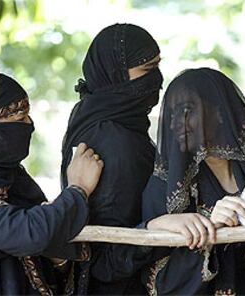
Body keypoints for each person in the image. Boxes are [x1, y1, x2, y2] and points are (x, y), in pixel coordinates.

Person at [0, 72, 103, 295]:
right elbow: (26, 232)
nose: (29, 125)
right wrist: (78, 189)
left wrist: (57, 258)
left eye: (27, 116)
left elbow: (43, 240)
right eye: (19, 119)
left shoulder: (13, 178)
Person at [61, 23, 163, 295]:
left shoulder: (89, 115)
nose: (158, 79)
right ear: (115, 74)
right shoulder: (114, 139)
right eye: (148, 70)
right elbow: (113, 243)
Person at [142, 68, 245, 295]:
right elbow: (156, 281)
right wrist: (208, 227)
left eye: (187, 111)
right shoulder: (164, 187)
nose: (177, 123)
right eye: (173, 114)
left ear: (220, 112)